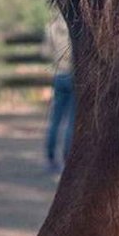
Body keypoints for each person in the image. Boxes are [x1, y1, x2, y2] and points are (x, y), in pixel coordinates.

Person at [42, 9, 74, 171]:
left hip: (59, 75)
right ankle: (67, 157)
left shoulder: (51, 28)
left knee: (55, 119)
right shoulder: (74, 26)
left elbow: (45, 52)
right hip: (74, 75)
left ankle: (50, 156)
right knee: (72, 120)